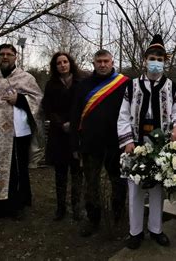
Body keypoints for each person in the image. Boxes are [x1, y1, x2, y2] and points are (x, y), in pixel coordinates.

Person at [117, 34, 176, 250]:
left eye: (160, 59)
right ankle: (135, 232)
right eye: (152, 57)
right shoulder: (131, 86)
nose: (156, 62)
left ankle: (156, 229)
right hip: (134, 143)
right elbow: (123, 115)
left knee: (156, 189)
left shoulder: (171, 87)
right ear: (145, 60)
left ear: (165, 61)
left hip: (160, 145)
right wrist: (127, 141)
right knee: (134, 188)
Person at [70, 49, 129, 237]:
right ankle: (93, 219)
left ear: (112, 62)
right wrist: (74, 144)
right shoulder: (83, 85)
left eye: (106, 61)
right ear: (93, 63)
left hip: (116, 144)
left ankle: (117, 217)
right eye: (99, 61)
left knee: (119, 183)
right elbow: (75, 116)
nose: (102, 64)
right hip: (90, 143)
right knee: (91, 184)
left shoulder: (125, 84)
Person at [0, 44, 43, 220]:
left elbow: (37, 100)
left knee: (17, 170)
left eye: (9, 54)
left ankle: (16, 206)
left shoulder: (26, 78)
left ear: (16, 57)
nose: (5, 57)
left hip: (18, 133)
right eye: (2, 54)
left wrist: (20, 99)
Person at [42, 52, 83, 221]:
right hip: (58, 134)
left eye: (65, 62)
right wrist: (61, 124)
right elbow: (47, 108)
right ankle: (60, 208)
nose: (62, 65)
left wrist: (72, 124)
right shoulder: (51, 84)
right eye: (59, 63)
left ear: (70, 63)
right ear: (55, 66)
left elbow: (83, 106)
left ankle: (76, 208)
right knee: (60, 173)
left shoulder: (80, 82)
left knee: (77, 173)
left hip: (76, 133)